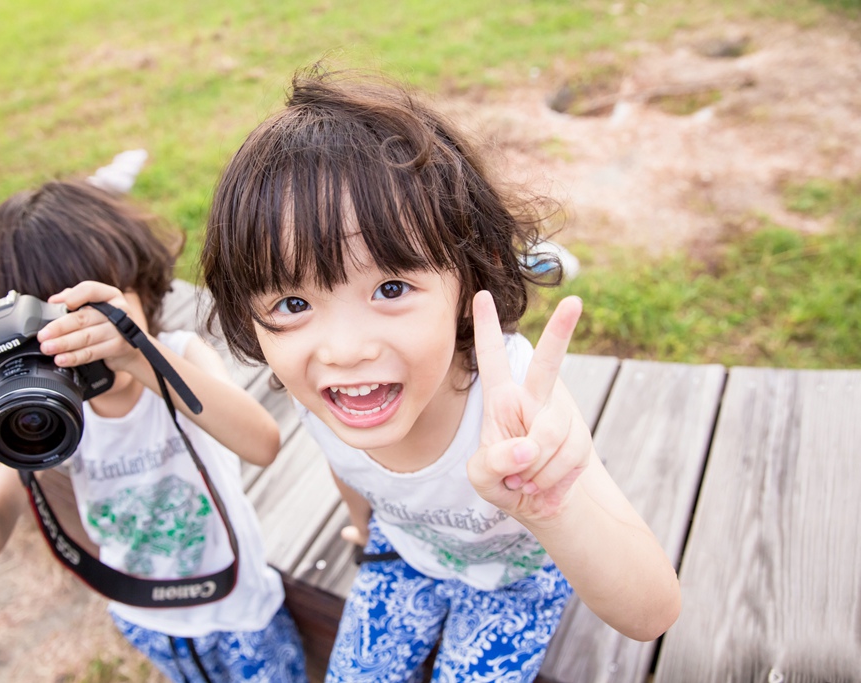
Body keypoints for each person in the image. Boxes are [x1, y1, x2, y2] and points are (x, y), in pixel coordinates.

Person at [201, 68, 681, 682]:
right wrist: (362, 525)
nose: (343, 352)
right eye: (293, 305)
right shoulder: (319, 395)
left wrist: (552, 508)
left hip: (518, 576)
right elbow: (348, 468)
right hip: (407, 554)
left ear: (464, 282)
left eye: (391, 287)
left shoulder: (515, 407)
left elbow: (653, 613)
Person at [0, 180, 307, 683]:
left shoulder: (177, 356)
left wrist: (138, 355)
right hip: (142, 614)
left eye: (90, 312)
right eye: (50, 328)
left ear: (140, 286)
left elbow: (262, 443)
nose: (82, 338)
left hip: (241, 608)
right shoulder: (49, 411)